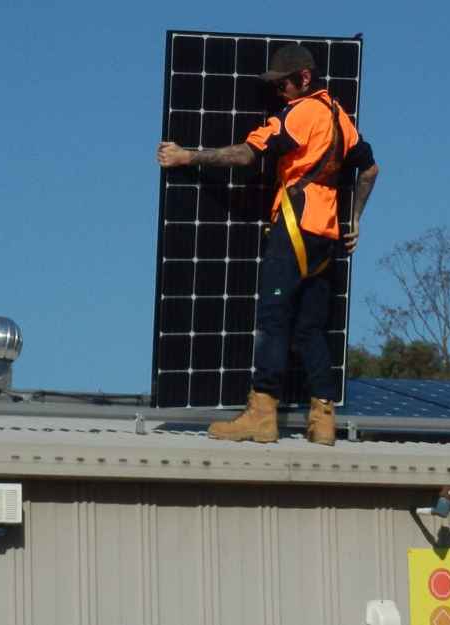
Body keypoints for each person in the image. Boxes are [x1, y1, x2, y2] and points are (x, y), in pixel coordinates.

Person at [157, 43, 379, 445]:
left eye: (283, 85)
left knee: (273, 321)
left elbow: (246, 155)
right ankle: (323, 419)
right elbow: (370, 168)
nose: (279, 92)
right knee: (311, 328)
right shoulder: (341, 118)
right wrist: (356, 220)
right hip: (326, 238)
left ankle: (262, 413)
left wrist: (187, 157)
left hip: (292, 228)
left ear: (305, 78)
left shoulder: (299, 114)